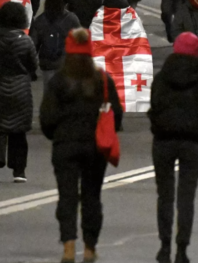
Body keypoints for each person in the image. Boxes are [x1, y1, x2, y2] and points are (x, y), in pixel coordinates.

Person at [40, 27, 123, 263]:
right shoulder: (102, 80)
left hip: (65, 147)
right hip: (94, 148)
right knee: (91, 197)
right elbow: (116, 116)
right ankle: (89, 247)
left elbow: (46, 119)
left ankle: (68, 246)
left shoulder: (58, 81)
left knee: (66, 197)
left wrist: (57, 135)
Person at [149, 32, 198, 263]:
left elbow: (154, 105)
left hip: (164, 141)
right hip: (192, 143)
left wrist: (158, 126)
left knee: (164, 196)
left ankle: (164, 246)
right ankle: (182, 249)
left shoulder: (162, 77)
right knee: (186, 198)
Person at [0, 2, 37, 184]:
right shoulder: (25, 40)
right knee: (18, 131)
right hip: (20, 91)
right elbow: (33, 65)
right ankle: (19, 171)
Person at [30, 0, 81, 86]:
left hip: (47, 63)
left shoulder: (40, 20)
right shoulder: (71, 19)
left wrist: (31, 68)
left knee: (49, 93)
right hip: (66, 63)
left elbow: (33, 45)